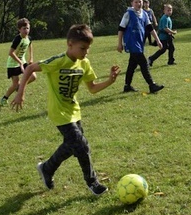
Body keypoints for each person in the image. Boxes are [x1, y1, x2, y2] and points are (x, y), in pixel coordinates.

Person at [11, 24, 121, 196]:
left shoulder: (84, 63)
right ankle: (93, 183)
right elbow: (31, 68)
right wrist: (20, 93)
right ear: (70, 44)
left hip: (74, 111)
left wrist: (110, 81)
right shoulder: (58, 61)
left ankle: (47, 168)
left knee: (71, 146)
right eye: (82, 48)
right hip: (59, 113)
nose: (86, 52)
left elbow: (92, 88)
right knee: (82, 145)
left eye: (88, 48)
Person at [117, 0, 165, 94]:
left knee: (132, 65)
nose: (138, 4)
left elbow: (150, 29)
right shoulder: (128, 14)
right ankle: (152, 85)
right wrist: (119, 43)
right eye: (136, 2)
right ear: (132, 3)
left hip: (139, 43)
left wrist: (158, 40)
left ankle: (127, 86)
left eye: (140, 2)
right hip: (131, 43)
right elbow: (121, 29)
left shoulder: (144, 14)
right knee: (144, 63)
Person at [0, 18, 36, 106]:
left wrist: (31, 58)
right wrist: (20, 62)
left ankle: (20, 87)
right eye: (24, 28)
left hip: (22, 62)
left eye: (27, 28)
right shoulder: (17, 39)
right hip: (13, 64)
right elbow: (10, 53)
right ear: (19, 29)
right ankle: (5, 98)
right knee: (15, 84)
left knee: (33, 76)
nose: (26, 30)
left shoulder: (29, 38)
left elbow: (30, 46)